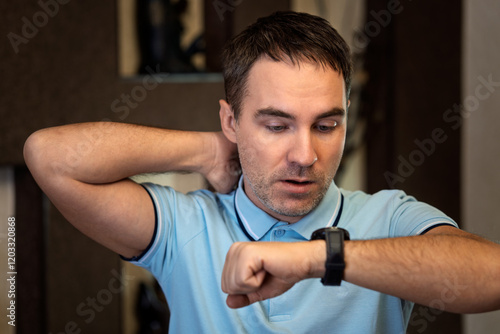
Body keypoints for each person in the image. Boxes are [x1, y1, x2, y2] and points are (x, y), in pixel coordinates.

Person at [24, 11, 500, 333]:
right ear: (231, 120)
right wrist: (206, 151)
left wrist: (319, 259)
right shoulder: (183, 226)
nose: (304, 154)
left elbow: (492, 277)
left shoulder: (388, 219)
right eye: (276, 125)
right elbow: (48, 155)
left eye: (327, 125)